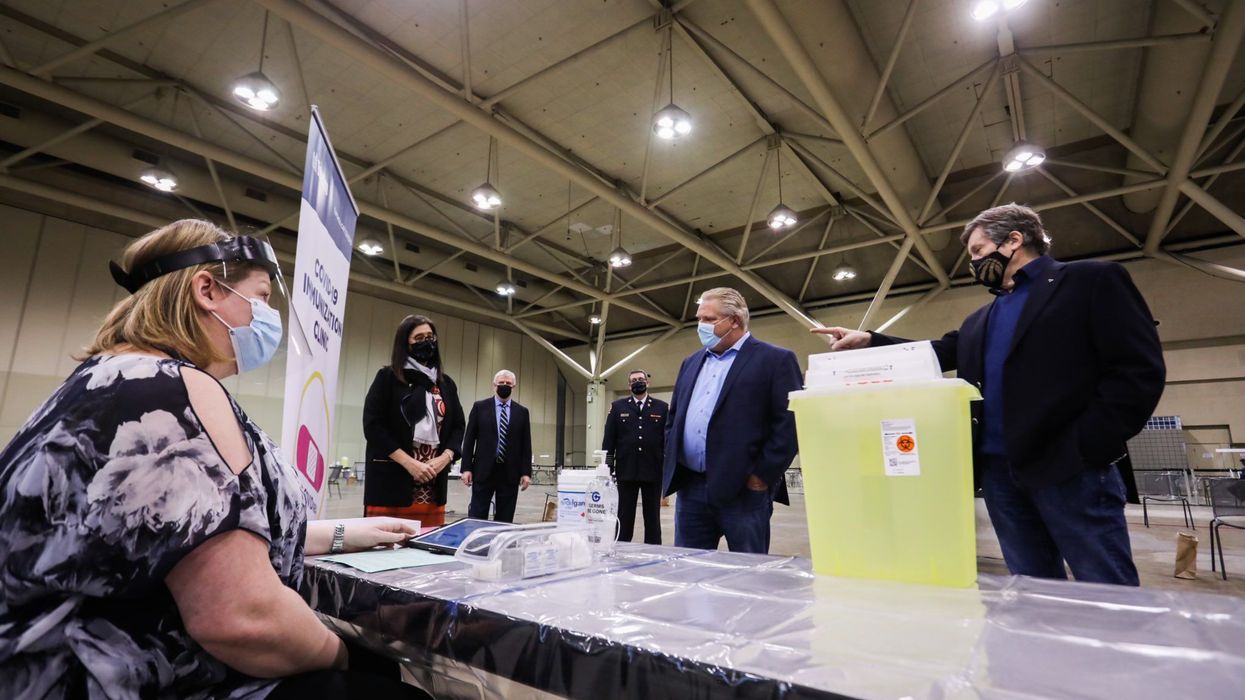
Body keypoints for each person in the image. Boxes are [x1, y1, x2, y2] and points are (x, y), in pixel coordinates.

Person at [0, 220, 429, 698]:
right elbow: (241, 618)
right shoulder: (169, 392)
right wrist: (346, 656)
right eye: (261, 297)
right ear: (206, 290)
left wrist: (344, 533)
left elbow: (192, 531)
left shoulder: (114, 377)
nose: (268, 315)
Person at [814, 203, 1165, 586]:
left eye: (978, 251)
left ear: (1014, 240)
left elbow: (1137, 369)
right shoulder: (981, 319)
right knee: (1029, 586)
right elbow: (935, 353)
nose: (975, 263)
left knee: (1106, 585)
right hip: (999, 475)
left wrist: (1089, 444)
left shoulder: (1089, 281)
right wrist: (870, 341)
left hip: (1068, 466)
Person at [663, 287, 803, 554]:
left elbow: (789, 424)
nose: (701, 326)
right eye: (699, 319)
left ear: (734, 321)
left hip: (744, 491)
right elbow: (674, 419)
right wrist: (672, 458)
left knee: (748, 570)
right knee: (688, 568)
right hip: (691, 488)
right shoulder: (690, 362)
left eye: (709, 319)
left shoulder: (774, 360)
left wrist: (761, 476)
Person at [363, 315, 465, 527]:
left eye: (430, 337)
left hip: (432, 487)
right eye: (419, 338)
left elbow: (458, 426)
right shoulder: (387, 377)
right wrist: (410, 464)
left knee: (427, 543)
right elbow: (373, 426)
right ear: (405, 343)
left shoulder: (446, 384)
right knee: (385, 543)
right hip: (392, 481)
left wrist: (445, 458)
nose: (426, 342)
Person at [602, 369, 668, 544]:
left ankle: (654, 551)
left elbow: (667, 440)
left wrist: (667, 467)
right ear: (629, 385)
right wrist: (608, 468)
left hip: (653, 470)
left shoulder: (662, 408)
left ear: (648, 382)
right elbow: (609, 441)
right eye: (633, 380)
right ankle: (621, 548)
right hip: (626, 470)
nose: (637, 382)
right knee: (624, 515)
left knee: (652, 517)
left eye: (640, 379)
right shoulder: (618, 407)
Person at [460, 370, 532, 522]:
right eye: (501, 383)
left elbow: (526, 444)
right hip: (483, 471)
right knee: (477, 515)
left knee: (505, 518)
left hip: (510, 473)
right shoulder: (480, 407)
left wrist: (526, 472)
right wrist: (466, 468)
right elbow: (469, 440)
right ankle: (476, 538)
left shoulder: (522, 412)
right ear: (494, 385)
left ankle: (501, 538)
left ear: (514, 386)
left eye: (508, 383)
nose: (504, 385)